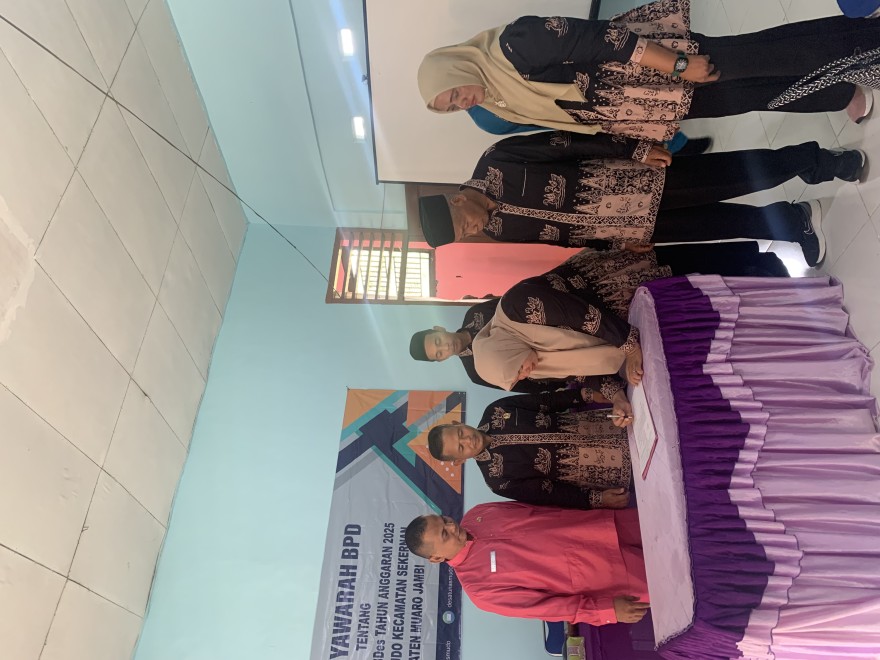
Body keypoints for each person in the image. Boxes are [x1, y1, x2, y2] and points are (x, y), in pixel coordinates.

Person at [417, 3, 877, 141]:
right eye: (452, 108)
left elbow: (603, 39)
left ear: (455, 67)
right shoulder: (499, 100)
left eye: (454, 93)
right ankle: (837, 92)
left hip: (661, 65)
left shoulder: (515, 43)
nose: (463, 102)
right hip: (650, 103)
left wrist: (679, 64)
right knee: (751, 95)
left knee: (763, 56)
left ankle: (866, 41)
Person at [417, 131, 867, 267]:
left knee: (734, 175)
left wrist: (633, 149)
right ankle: (791, 222)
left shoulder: (498, 160)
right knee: (717, 225)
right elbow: (560, 238)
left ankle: (817, 161)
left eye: (463, 225)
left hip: (637, 181)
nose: (472, 231)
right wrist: (613, 245)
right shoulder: (499, 230)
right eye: (464, 237)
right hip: (629, 226)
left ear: (456, 200)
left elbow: (567, 143)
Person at [409, 243, 787, 388]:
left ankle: (761, 261)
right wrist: (614, 385)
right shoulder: (488, 369)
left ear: (439, 329)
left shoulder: (505, 311)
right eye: (438, 353)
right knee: (695, 302)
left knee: (687, 269)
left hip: (605, 285)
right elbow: (564, 372)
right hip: (611, 326)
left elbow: (581, 316)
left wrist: (629, 345)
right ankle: (767, 291)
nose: (444, 348)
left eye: (437, 341)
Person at [404, 502, 650, 625]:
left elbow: (542, 509)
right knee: (672, 578)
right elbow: (550, 608)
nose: (451, 526)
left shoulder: (479, 513)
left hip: (604, 524)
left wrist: (595, 502)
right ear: (436, 558)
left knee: (671, 524)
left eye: (444, 520)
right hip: (609, 574)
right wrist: (605, 611)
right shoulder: (480, 590)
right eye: (444, 534)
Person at [428, 385, 636, 509]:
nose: (468, 440)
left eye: (461, 434)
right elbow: (551, 494)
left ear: (457, 423)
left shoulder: (496, 410)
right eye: (461, 448)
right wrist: (597, 499)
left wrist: (585, 395)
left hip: (605, 423)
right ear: (459, 460)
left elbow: (545, 401)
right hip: (608, 471)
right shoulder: (497, 481)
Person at [466, 105, 712, 155]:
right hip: (574, 112)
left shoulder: (484, 118)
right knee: (634, 121)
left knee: (636, 118)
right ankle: (677, 145)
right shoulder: (487, 117)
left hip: (575, 111)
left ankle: (675, 143)